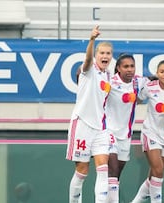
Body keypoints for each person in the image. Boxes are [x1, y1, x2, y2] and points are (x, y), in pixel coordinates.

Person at [65, 25, 113, 203]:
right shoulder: (88, 69)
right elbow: (86, 60)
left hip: (100, 128)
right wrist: (92, 40)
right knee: (82, 171)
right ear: (96, 55)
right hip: (82, 124)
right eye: (102, 53)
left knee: (103, 168)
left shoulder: (108, 76)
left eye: (108, 53)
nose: (105, 56)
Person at [131, 60, 164, 203]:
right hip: (150, 133)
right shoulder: (150, 87)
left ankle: (136, 201)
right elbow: (134, 101)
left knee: (155, 175)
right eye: (162, 71)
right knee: (158, 171)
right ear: (157, 73)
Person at [105, 53, 148, 203]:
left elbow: (157, 83)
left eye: (132, 66)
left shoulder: (139, 82)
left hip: (125, 135)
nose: (130, 69)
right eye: (126, 66)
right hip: (108, 132)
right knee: (113, 170)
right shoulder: (109, 81)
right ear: (118, 68)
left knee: (115, 177)